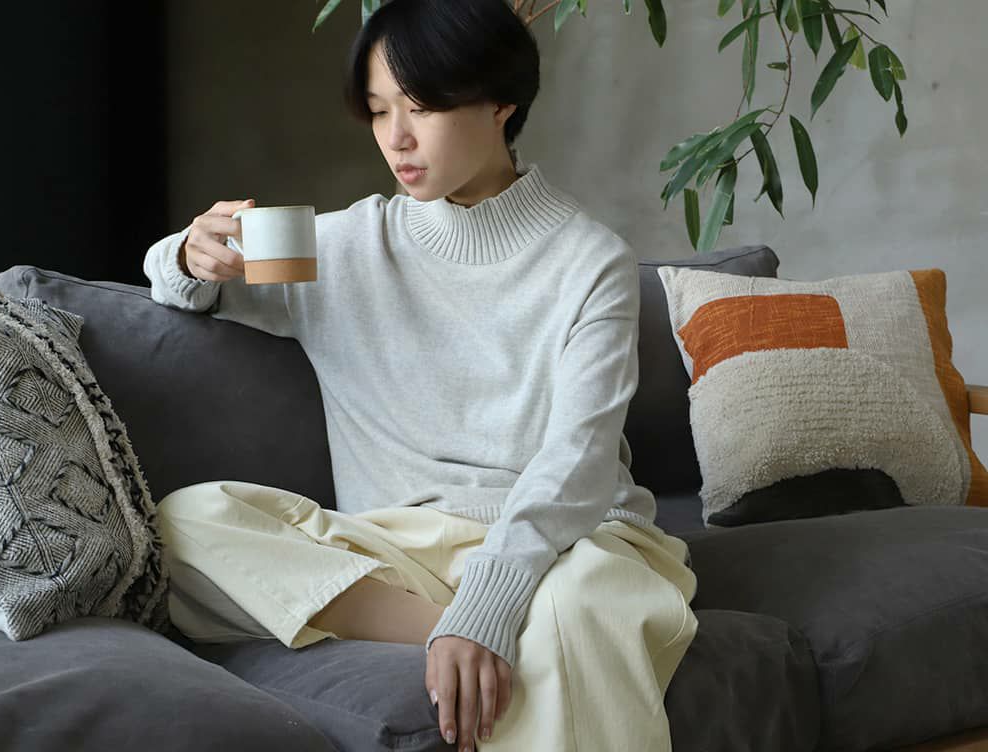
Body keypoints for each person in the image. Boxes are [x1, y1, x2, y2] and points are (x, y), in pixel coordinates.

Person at [142, 1, 698, 750]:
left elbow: (579, 461)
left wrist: (495, 594)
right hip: (396, 552)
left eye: (422, 108)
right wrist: (187, 253)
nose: (396, 138)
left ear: (501, 102)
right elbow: (181, 284)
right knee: (183, 522)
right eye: (379, 112)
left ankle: (509, 627)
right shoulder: (342, 247)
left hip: (570, 542)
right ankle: (470, 637)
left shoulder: (589, 262)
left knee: (587, 601)